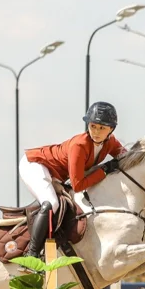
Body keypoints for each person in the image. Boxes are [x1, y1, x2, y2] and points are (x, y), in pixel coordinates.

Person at [19, 101, 128, 258]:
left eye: (102, 128)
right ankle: (32, 254)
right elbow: (77, 185)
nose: (96, 132)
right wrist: (104, 170)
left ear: (111, 129)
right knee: (51, 203)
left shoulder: (110, 142)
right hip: (35, 165)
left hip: (54, 174)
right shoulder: (79, 145)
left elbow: (126, 157)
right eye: (93, 126)